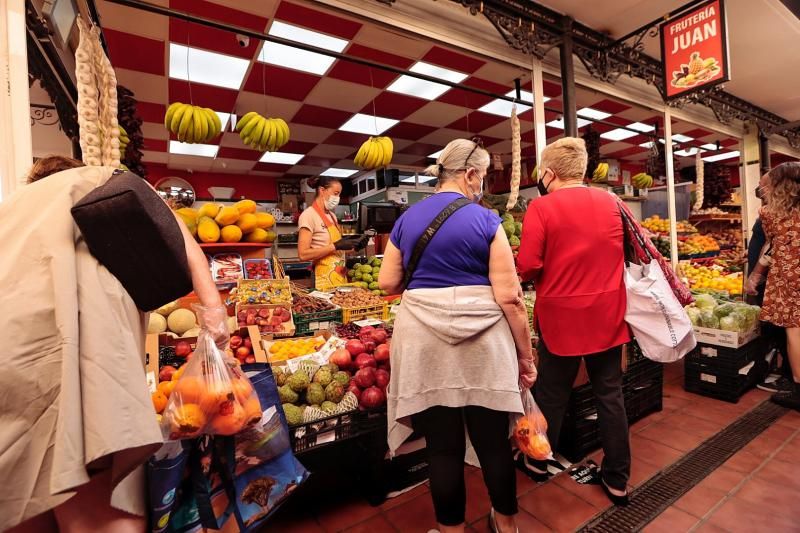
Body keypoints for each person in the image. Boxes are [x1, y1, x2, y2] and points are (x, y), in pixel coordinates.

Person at [1, 163, 224, 533]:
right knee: (101, 499)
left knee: (26, 491)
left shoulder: (12, 207)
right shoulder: (98, 176)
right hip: (70, 350)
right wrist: (214, 316)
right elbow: (186, 246)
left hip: (16, 355)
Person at [379, 138, 536, 533]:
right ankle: (506, 523)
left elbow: (386, 282)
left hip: (424, 343)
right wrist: (526, 356)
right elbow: (511, 298)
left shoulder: (406, 220)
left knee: (442, 446)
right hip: (485, 344)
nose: (480, 184)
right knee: (492, 441)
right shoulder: (487, 221)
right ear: (469, 175)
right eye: (481, 177)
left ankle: (451, 530)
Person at [517, 137, 631, 506]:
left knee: (552, 393)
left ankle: (538, 462)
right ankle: (617, 479)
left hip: (560, 317)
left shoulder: (541, 207)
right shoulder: (613, 203)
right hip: (608, 313)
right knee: (610, 395)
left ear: (548, 173)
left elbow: (529, 265)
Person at [758, 162, 800, 410]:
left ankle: (798, 389)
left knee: (795, 331)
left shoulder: (769, 213)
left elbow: (771, 242)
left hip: (789, 277)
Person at [746, 172, 791, 393]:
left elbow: (771, 247)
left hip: (779, 281)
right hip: (776, 279)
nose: (760, 190)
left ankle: (790, 377)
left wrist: (756, 274)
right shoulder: (777, 213)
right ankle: (788, 373)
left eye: (762, 186)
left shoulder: (775, 215)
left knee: (781, 329)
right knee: (781, 330)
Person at [297, 176, 367, 290]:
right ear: (322, 190)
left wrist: (355, 247)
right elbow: (303, 254)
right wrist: (335, 245)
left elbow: (336, 251)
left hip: (339, 274)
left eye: (339, 194)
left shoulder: (332, 216)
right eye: (335, 193)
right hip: (322, 277)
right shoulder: (308, 215)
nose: (337, 198)